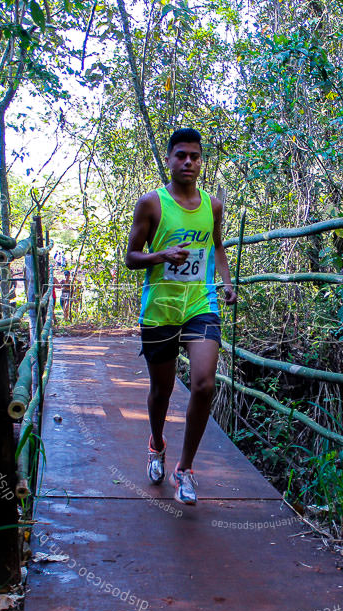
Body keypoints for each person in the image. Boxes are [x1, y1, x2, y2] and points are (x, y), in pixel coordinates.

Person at [124, 128, 236, 505]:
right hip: (160, 309)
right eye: (181, 155)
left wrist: (226, 283)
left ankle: (184, 469)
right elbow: (131, 258)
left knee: (204, 383)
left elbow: (217, 246)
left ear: (202, 161)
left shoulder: (213, 206)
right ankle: (156, 442)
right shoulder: (151, 204)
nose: (189, 162)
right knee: (163, 390)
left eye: (195, 156)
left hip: (200, 305)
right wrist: (161, 256)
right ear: (169, 160)